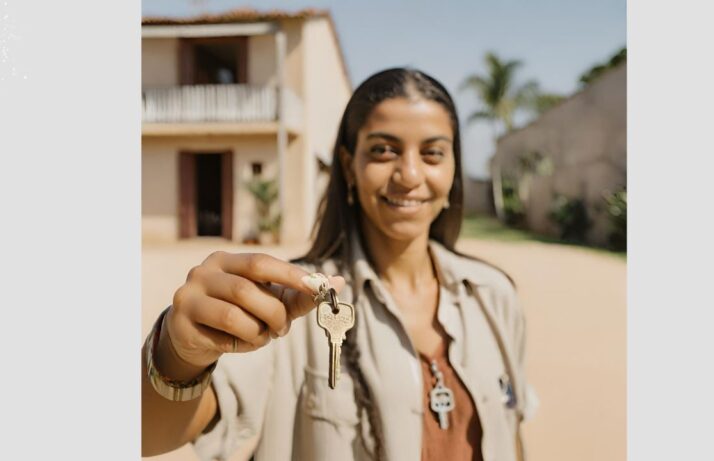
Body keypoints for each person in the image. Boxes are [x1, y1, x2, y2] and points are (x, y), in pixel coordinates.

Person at [142, 68, 536, 461]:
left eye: (432, 153)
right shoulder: (292, 303)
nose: (410, 175)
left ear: (453, 170)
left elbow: (511, 435)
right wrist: (179, 356)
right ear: (349, 166)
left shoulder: (493, 294)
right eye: (384, 150)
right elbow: (147, 434)